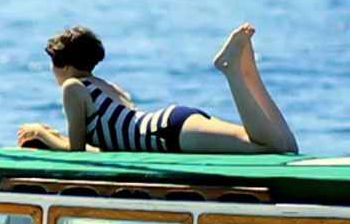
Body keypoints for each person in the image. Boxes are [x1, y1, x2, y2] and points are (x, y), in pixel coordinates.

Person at [16, 23, 298, 154]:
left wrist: (42, 133)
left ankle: (232, 70)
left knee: (268, 146)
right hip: (169, 123)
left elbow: (79, 151)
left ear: (64, 65)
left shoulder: (72, 87)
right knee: (286, 147)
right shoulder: (105, 86)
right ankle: (248, 69)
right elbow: (103, 143)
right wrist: (52, 133)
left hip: (166, 133)